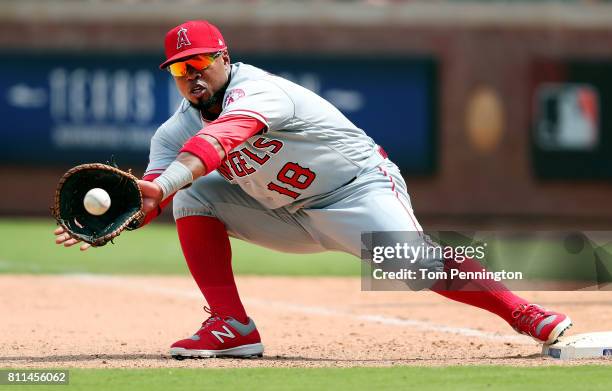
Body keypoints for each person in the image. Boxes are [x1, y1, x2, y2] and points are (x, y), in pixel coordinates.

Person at [54, 20, 571, 359]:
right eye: (180, 70)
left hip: (355, 191)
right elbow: (154, 197)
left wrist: (162, 185)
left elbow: (223, 138)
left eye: (201, 62)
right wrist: (124, 213)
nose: (192, 76)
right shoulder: (172, 132)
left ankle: (528, 313)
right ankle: (233, 327)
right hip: (283, 212)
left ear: (224, 58)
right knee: (192, 195)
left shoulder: (260, 90)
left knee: (419, 269)